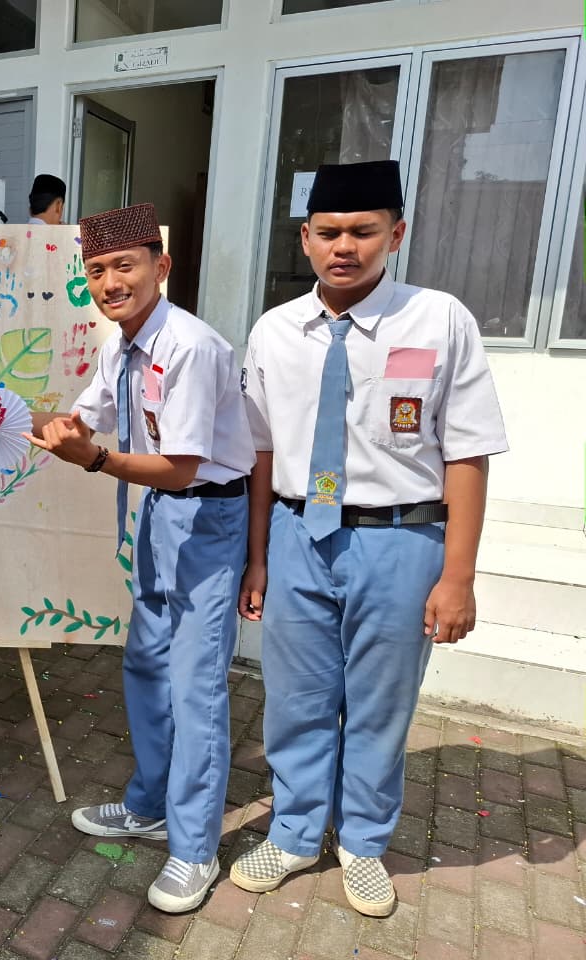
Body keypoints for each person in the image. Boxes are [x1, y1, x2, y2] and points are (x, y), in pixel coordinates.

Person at [229, 160, 507, 917]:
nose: (344, 246)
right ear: (305, 239)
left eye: (363, 231)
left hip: (401, 541)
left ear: (396, 233)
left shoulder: (439, 320)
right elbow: (260, 452)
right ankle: (293, 833)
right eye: (329, 232)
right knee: (295, 700)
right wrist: (258, 557)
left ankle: (362, 843)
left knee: (381, 707)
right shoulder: (275, 331)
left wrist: (458, 576)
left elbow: (468, 454)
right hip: (298, 536)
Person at [27, 202, 255, 912]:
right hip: (160, 512)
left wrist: (93, 460)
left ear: (162, 267)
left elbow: (182, 468)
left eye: (124, 266)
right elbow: (79, 421)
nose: (110, 283)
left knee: (195, 684)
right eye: (96, 270)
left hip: (207, 515)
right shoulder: (119, 346)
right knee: (147, 663)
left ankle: (195, 848)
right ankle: (151, 805)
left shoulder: (189, 347)